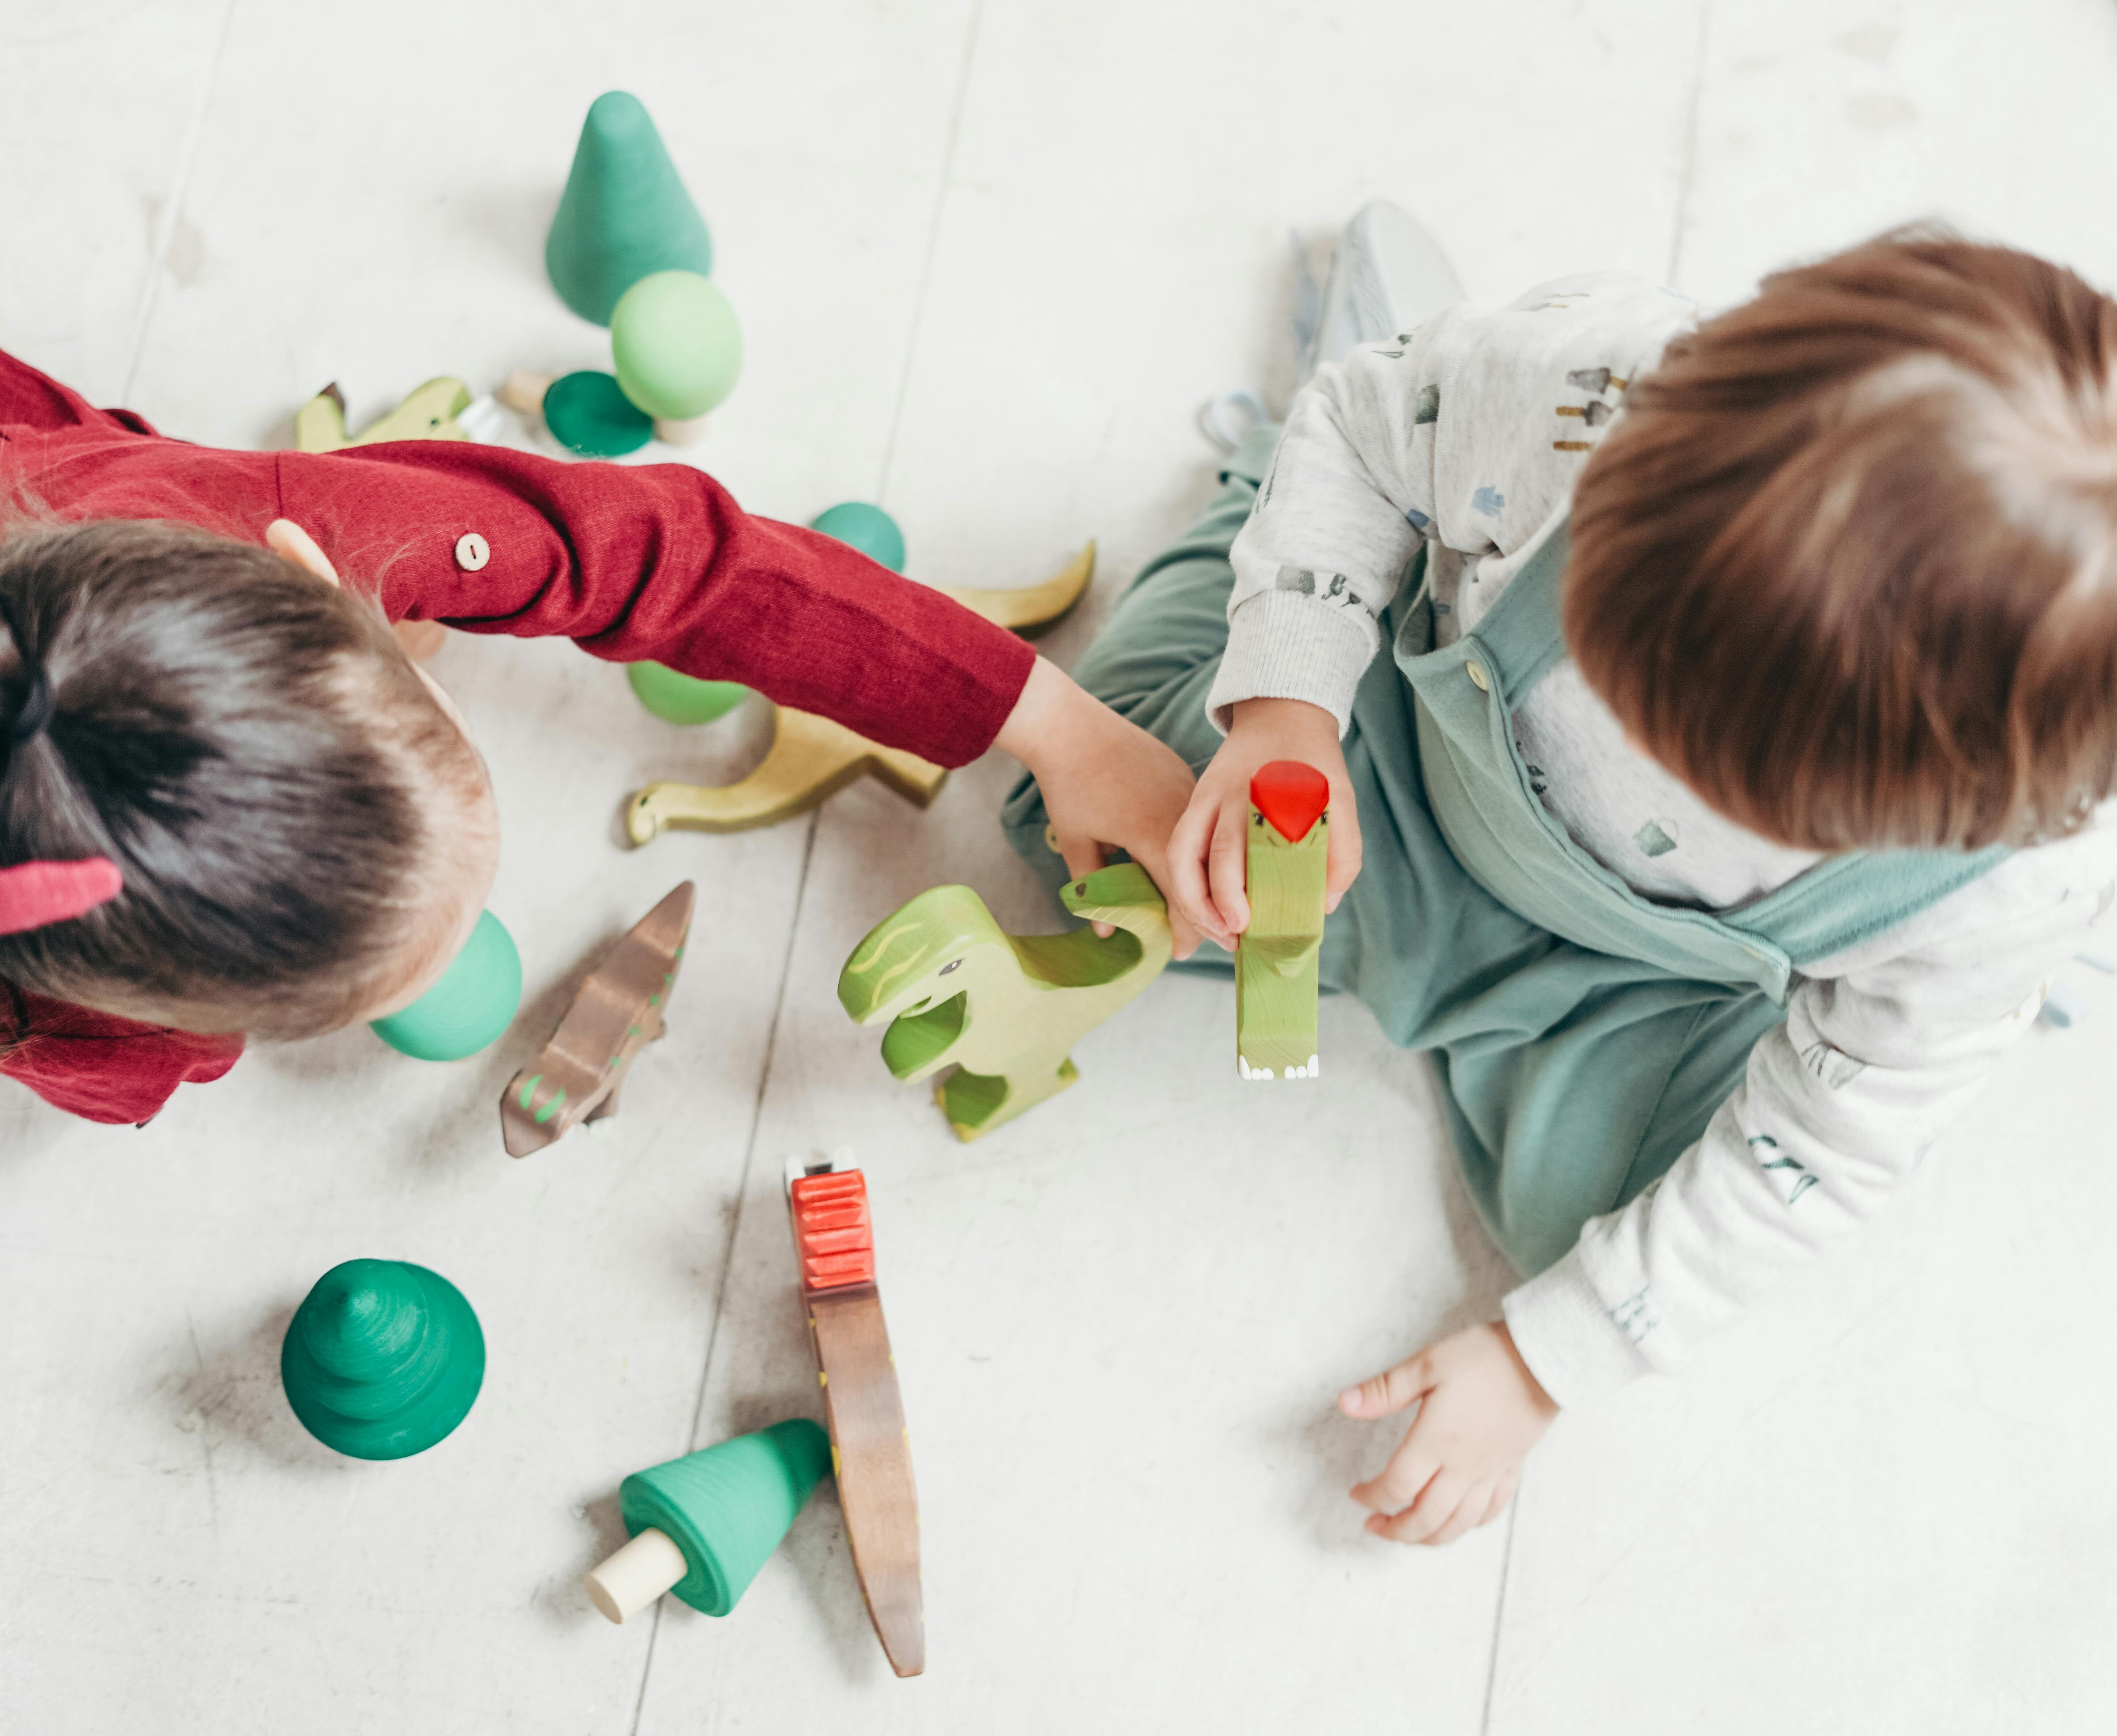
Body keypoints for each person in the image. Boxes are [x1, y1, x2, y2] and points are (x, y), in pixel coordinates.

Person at [1003, 210, 2117, 1546]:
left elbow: (1823, 1147)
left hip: (1640, 985)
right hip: (1397, 769)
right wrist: (1286, 716)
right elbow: (1363, 434)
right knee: (1080, 824)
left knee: (1616, 1249)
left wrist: (1543, 1364)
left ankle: (1542, 1046)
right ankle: (1297, 451)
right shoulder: (1588, 394)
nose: (1648, 744)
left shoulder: (2008, 889)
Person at [0, 351, 1195, 1124]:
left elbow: (669, 560)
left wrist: (1055, 725)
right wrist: (163, 1059)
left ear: (311, 566)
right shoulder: (90, 1034)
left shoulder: (299, 516)